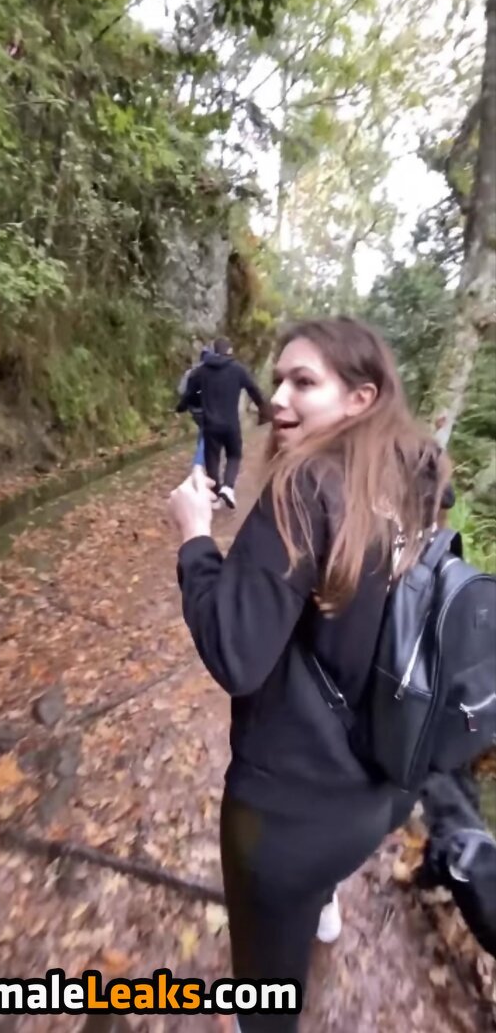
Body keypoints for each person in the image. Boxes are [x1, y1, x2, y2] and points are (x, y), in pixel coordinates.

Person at [169, 317, 452, 1032]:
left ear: (361, 397)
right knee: (312, 893)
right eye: (278, 380)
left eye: (303, 382)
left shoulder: (302, 487)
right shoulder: (417, 477)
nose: (277, 399)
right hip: (385, 786)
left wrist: (195, 538)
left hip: (286, 816)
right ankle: (322, 907)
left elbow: (235, 653)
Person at [177, 337, 267, 510]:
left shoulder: (202, 371)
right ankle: (228, 487)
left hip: (210, 424)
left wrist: (182, 406)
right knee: (234, 455)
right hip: (231, 424)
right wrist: (264, 408)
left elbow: (190, 393)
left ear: (213, 350)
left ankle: (216, 496)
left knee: (212, 459)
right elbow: (254, 390)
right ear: (230, 351)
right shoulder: (238, 369)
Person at [177, 345, 212, 474]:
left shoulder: (190, 372)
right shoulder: (213, 372)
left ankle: (201, 460)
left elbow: (181, 390)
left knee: (203, 432)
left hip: (194, 409)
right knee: (206, 434)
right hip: (208, 409)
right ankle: (198, 464)